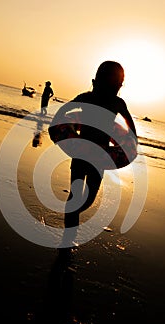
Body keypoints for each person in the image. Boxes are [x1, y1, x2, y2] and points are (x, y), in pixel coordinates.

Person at [49, 61, 137, 249]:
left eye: (118, 84)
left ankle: (71, 216)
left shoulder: (117, 103)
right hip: (81, 154)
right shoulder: (86, 98)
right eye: (115, 82)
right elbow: (63, 113)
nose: (117, 86)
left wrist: (130, 143)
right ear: (96, 81)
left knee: (88, 198)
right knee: (75, 195)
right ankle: (68, 236)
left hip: (100, 156)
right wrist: (58, 130)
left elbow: (130, 129)